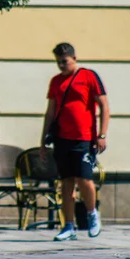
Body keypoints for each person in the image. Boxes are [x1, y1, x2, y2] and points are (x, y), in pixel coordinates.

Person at [39, 42, 109, 242]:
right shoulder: (55, 82)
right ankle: (68, 226)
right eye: (58, 62)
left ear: (74, 58)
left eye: (65, 61)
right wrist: (43, 142)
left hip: (84, 138)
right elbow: (50, 112)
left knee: (84, 179)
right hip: (62, 139)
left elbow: (104, 105)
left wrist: (102, 135)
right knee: (66, 183)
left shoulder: (89, 76)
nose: (62, 65)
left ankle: (92, 214)